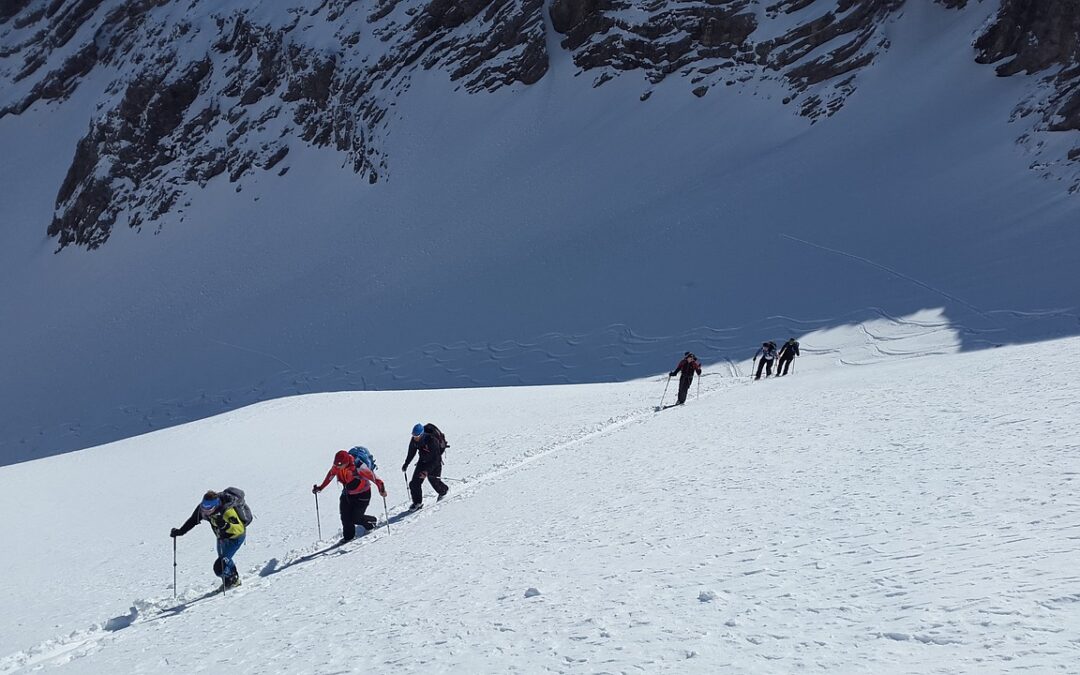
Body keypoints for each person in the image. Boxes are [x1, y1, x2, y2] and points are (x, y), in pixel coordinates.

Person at [170, 490, 247, 589]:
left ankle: (234, 580)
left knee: (220, 567)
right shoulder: (203, 509)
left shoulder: (227, 511)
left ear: (216, 506)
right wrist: (180, 531)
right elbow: (193, 520)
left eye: (209, 509)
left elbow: (240, 530)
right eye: (204, 508)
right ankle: (229, 580)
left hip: (235, 539)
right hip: (221, 538)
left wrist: (225, 525)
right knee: (224, 560)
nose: (205, 512)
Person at [313, 449, 387, 543]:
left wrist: (382, 489)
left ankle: (371, 522)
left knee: (356, 518)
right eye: (336, 465)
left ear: (346, 462)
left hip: (363, 494)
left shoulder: (359, 466)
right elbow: (331, 474)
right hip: (347, 493)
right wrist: (320, 487)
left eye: (340, 465)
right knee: (345, 517)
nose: (337, 468)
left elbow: (374, 478)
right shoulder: (337, 466)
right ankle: (348, 538)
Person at [402, 423, 449, 510]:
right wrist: (406, 464)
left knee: (433, 480)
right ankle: (417, 503)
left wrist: (427, 472)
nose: (415, 437)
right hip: (423, 461)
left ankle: (444, 491)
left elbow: (437, 458)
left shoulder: (431, 440)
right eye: (413, 435)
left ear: (422, 434)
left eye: (417, 435)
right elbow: (411, 452)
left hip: (434, 462)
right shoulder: (414, 440)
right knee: (414, 483)